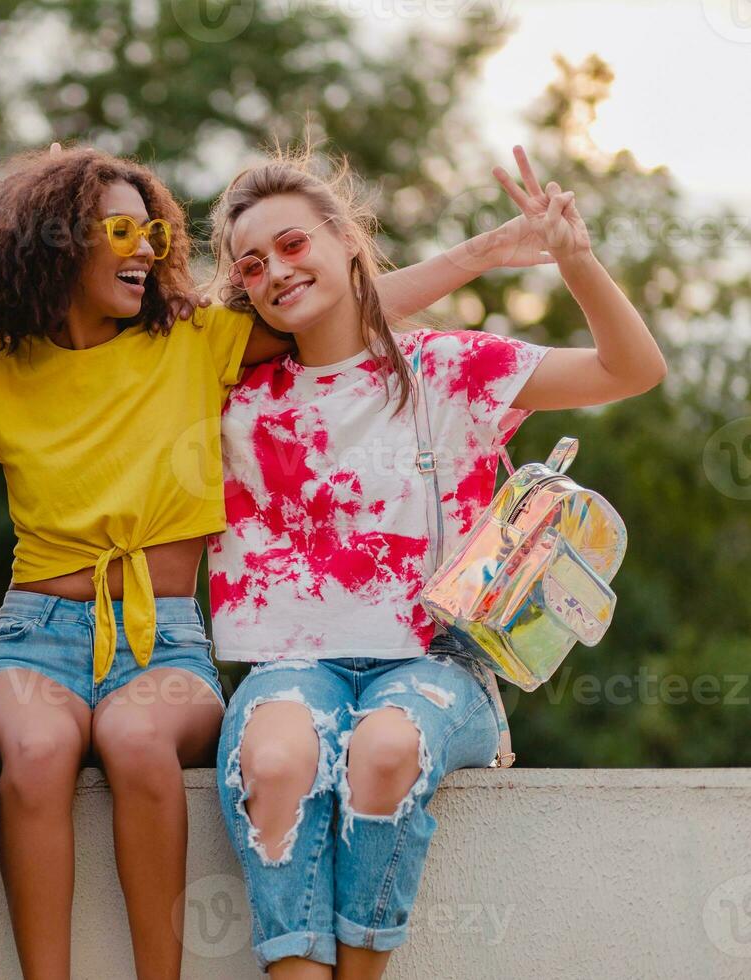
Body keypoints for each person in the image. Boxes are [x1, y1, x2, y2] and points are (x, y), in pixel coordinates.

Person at [0, 145, 547, 980]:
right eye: (120, 229)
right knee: (35, 754)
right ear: (55, 244)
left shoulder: (188, 341)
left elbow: (345, 311)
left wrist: (478, 253)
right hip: (32, 631)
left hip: (165, 636)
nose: (146, 246)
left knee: (137, 737)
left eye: (153, 229)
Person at [207, 144, 665, 979]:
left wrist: (577, 261)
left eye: (294, 244)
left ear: (348, 239)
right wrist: (481, 252)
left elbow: (630, 370)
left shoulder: (448, 367)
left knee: (384, 749)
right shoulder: (230, 392)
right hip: (289, 662)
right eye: (251, 263)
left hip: (439, 660)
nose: (275, 269)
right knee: (275, 760)